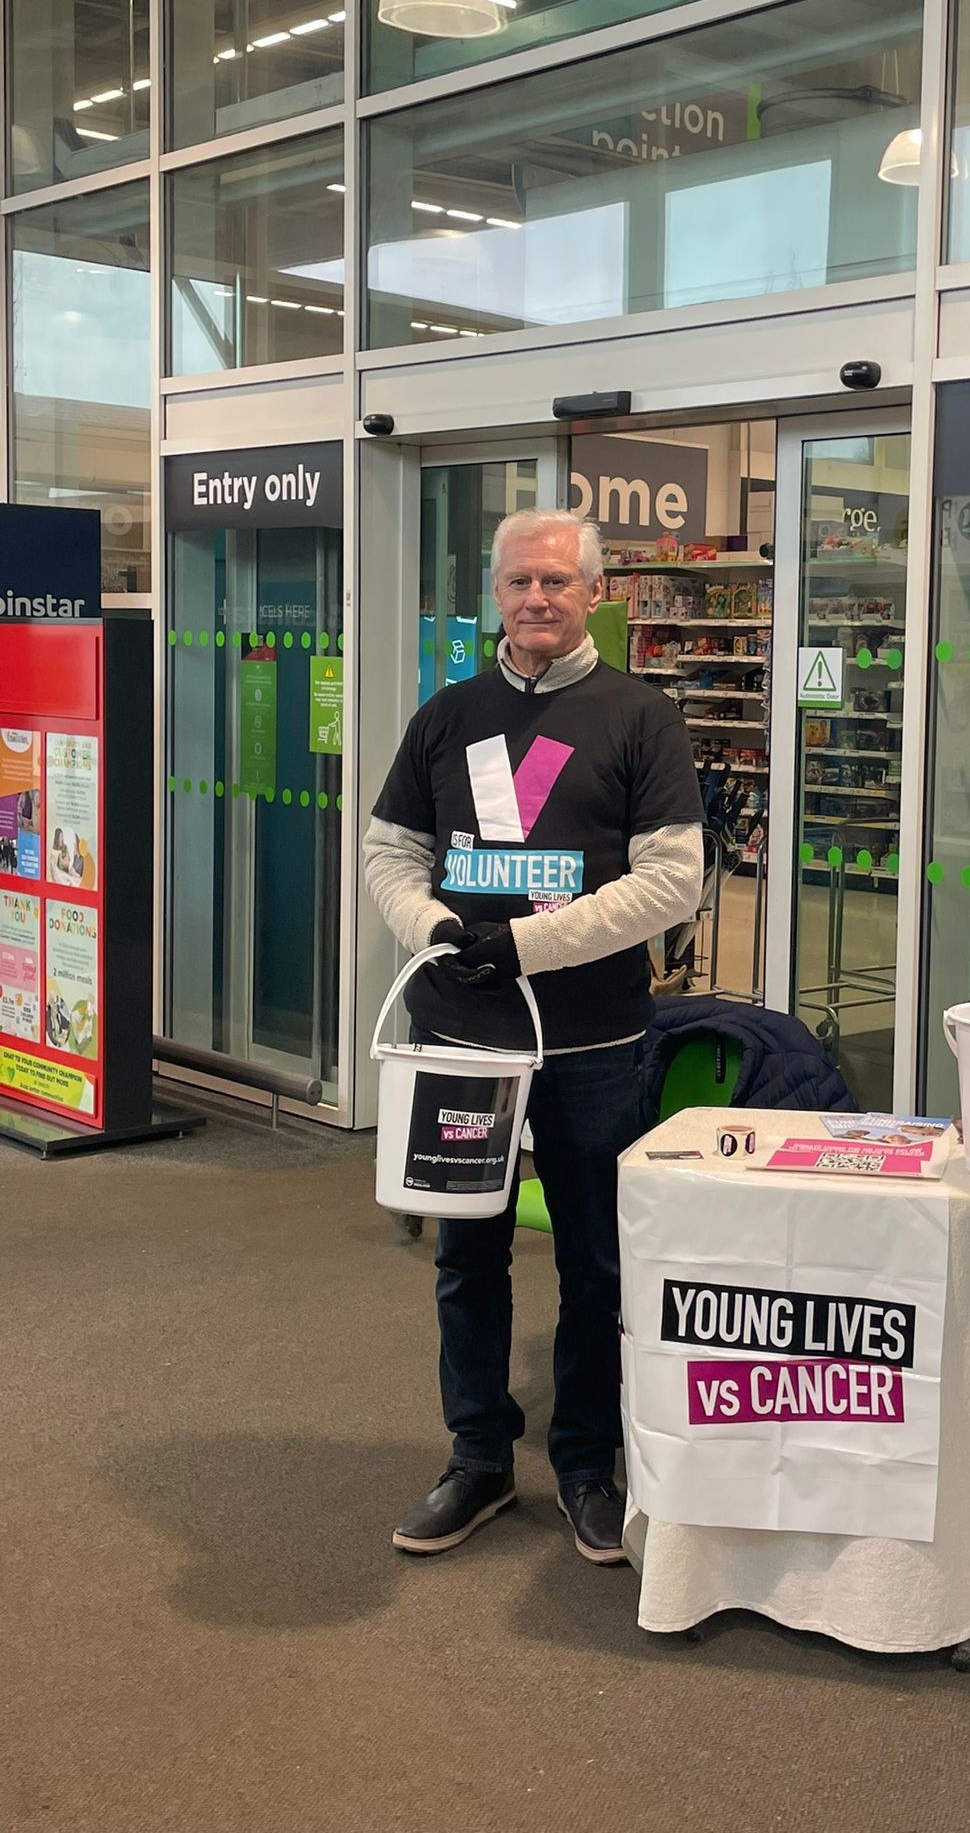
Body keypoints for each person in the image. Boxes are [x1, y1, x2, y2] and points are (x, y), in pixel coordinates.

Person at [363, 510, 703, 1565]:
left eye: (557, 580)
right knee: (467, 1256)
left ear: (595, 591)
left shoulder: (641, 716)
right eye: (519, 581)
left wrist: (526, 945)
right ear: (496, 594)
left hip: (592, 1038)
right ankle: (478, 1457)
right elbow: (390, 849)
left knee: (596, 1261)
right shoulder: (448, 714)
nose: (536, 598)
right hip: (461, 1035)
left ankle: (588, 1465)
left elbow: (671, 881)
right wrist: (435, 930)